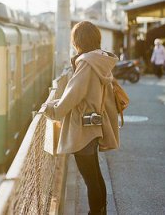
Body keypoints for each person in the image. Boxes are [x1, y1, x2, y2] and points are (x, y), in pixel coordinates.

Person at [42, 21, 119, 215]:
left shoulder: (86, 62)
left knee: (90, 179)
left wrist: (51, 109)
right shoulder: (101, 61)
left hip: (81, 129)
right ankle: (101, 212)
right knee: (95, 177)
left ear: (78, 41)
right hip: (94, 124)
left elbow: (73, 94)